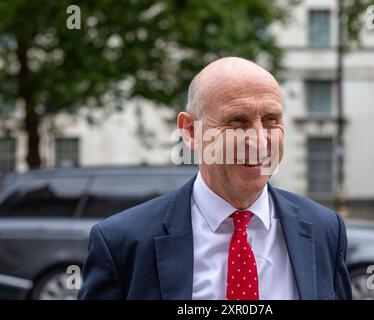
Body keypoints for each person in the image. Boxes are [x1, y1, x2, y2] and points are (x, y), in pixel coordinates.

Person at [78, 57, 352, 300]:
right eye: (237, 121)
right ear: (190, 131)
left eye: (271, 120)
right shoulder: (122, 243)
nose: (258, 140)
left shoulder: (325, 230)